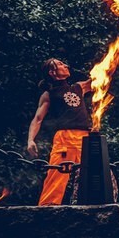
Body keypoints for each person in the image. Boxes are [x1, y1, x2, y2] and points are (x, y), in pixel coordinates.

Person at [27, 58, 92, 206]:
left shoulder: (79, 87)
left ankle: (95, 206)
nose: (66, 65)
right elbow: (37, 119)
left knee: (95, 175)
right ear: (52, 72)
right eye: (61, 64)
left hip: (86, 138)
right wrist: (31, 140)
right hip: (65, 138)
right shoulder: (49, 94)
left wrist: (117, 56)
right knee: (56, 175)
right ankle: (46, 209)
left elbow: (104, 75)